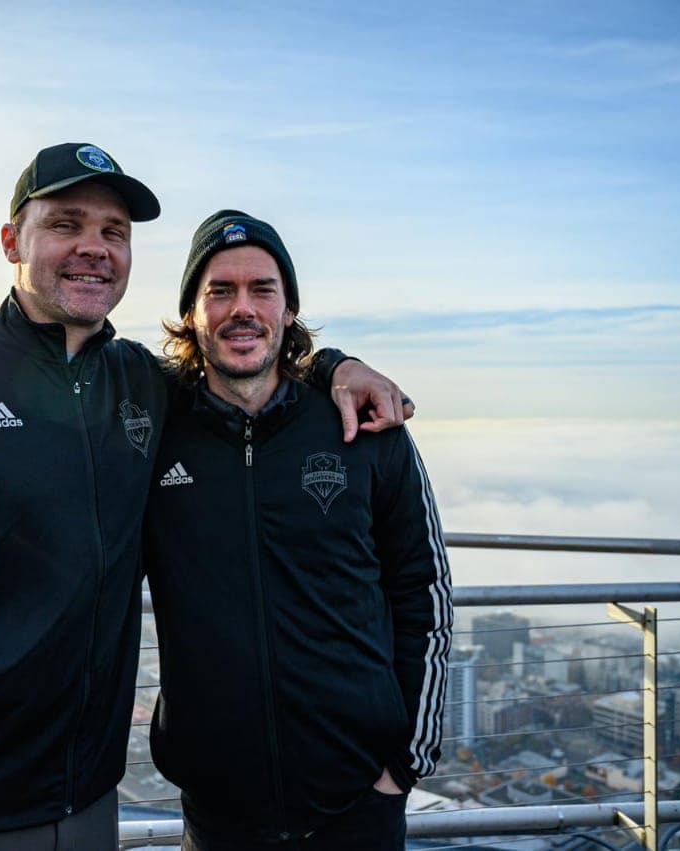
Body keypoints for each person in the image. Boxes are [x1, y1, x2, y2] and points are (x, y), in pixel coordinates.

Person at [0, 145, 415, 851]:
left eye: (113, 232)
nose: (94, 248)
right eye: (66, 224)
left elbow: (246, 360)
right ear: (12, 241)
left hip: (93, 802)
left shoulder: (145, 385)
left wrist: (337, 365)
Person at [145, 211, 453, 850]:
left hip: (359, 807)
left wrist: (403, 767)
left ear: (289, 311)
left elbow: (424, 592)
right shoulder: (154, 436)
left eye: (262, 289)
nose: (242, 308)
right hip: (217, 814)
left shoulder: (365, 427)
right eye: (220, 291)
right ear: (191, 314)